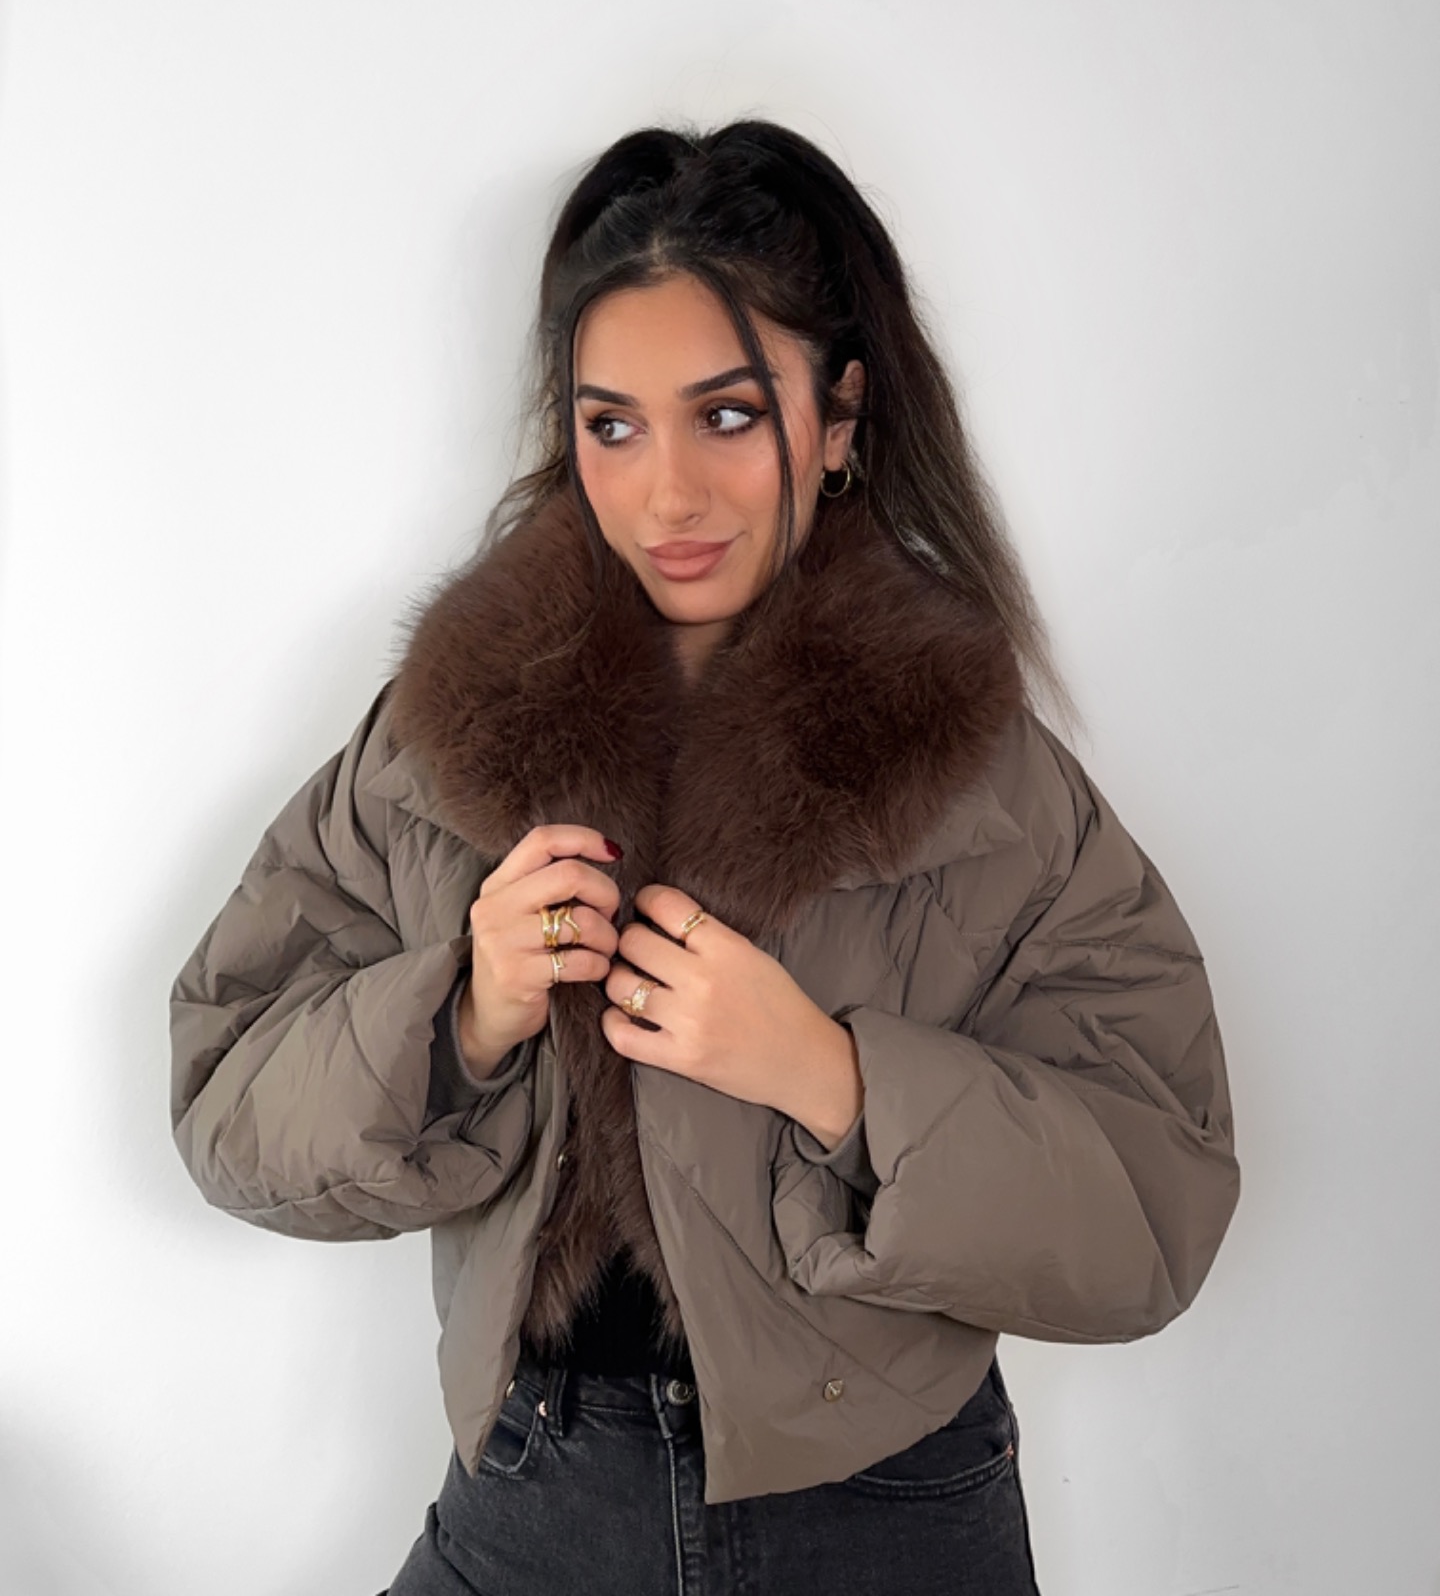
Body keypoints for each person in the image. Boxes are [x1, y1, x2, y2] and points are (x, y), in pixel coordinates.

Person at [169, 119, 1241, 1595]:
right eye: (612, 426)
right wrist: (464, 1011)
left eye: (727, 416)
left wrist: (835, 1081)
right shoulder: (440, 746)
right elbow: (225, 1100)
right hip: (535, 1504)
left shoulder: (978, 773)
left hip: (889, 1517)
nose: (666, 494)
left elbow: (1156, 1201)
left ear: (841, 414)